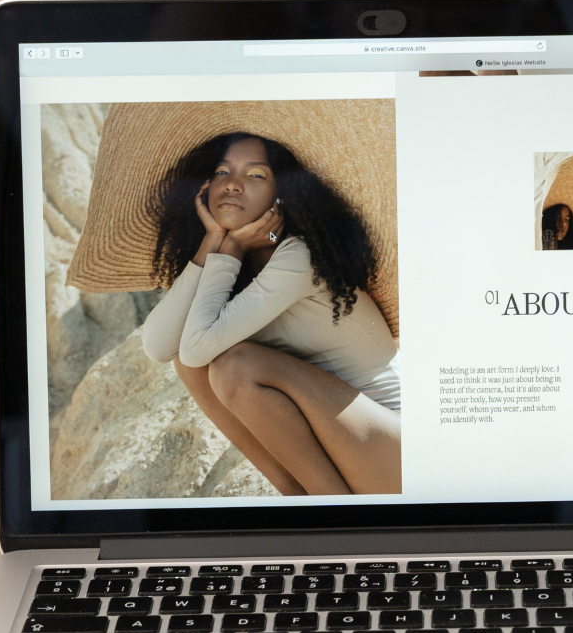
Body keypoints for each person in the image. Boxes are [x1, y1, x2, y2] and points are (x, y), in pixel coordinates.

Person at [139, 132, 401, 495]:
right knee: (193, 367)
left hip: (401, 451)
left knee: (236, 366)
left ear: (283, 195)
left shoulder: (299, 256)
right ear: (203, 188)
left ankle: (334, 514)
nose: (232, 184)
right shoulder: (233, 269)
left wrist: (230, 248)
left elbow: (197, 346)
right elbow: (158, 347)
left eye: (256, 174)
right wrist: (212, 243)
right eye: (221, 171)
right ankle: (301, 500)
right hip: (351, 451)